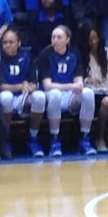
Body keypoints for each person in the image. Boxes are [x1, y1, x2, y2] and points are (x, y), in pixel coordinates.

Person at [39, 25, 97, 157]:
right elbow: (47, 85)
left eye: (59, 37)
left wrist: (78, 86)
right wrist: (71, 86)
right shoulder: (45, 54)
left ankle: (84, 138)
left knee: (88, 93)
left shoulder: (74, 54)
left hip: (69, 96)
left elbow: (78, 82)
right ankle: (54, 139)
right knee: (55, 94)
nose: (55, 40)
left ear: (67, 39)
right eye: (53, 37)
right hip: (50, 95)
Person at [0, 27, 45, 158]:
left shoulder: (27, 57)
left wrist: (30, 88)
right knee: (6, 98)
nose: (7, 45)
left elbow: (34, 82)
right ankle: (5, 139)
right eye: (5, 42)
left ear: (18, 43)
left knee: (39, 97)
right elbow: (1, 87)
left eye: (11, 42)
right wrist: (19, 86)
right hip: (5, 97)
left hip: (22, 97)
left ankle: (33, 137)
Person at [77, 24, 108, 153]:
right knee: (107, 102)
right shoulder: (80, 56)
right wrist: (88, 80)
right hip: (91, 96)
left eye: (95, 38)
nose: (93, 42)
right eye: (90, 40)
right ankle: (99, 136)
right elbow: (76, 79)